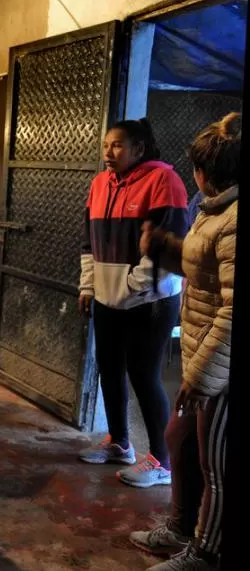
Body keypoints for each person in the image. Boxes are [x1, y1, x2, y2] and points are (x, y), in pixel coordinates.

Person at [128, 113, 239, 571]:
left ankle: (205, 553)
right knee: (180, 441)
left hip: (220, 369)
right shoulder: (213, 210)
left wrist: (200, 376)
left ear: (204, 173)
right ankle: (179, 526)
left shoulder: (233, 220)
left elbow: (232, 311)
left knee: (215, 465)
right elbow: (204, 271)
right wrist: (166, 248)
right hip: (204, 356)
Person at [77, 118, 189, 488]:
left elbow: (163, 247)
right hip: (110, 297)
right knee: (109, 369)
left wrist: (130, 287)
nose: (109, 152)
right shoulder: (99, 184)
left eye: (118, 145)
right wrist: (89, 286)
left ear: (139, 149)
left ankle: (160, 460)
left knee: (144, 375)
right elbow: (88, 241)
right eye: (106, 145)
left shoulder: (163, 182)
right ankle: (120, 444)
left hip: (150, 301)